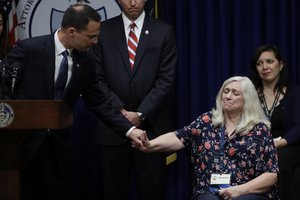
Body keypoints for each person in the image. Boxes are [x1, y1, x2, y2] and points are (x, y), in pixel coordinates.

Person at [2, 4, 144, 200]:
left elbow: (99, 101)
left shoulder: (86, 61)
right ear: (72, 32)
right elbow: (5, 90)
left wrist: (130, 130)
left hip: (58, 150)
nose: (95, 42)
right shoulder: (29, 50)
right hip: (20, 149)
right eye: (91, 36)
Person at [133, 76, 279, 200]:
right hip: (209, 191)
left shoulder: (260, 130)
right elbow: (178, 137)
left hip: (247, 191)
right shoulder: (207, 121)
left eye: (235, 93)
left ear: (247, 99)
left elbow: (271, 175)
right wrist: (150, 145)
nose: (228, 96)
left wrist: (239, 190)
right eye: (226, 91)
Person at [92, 0, 177, 199]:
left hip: (152, 129)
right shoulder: (102, 31)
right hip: (112, 129)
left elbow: (166, 79)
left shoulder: (164, 31)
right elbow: (96, 78)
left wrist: (140, 114)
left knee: (153, 191)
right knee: (112, 191)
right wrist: (121, 113)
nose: (132, 2)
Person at [250, 44, 300, 200]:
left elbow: (298, 126)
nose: (265, 67)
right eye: (259, 63)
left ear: (281, 64)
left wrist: (278, 143)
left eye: (270, 61)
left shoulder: (295, 93)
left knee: (278, 157)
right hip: (256, 145)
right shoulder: (249, 94)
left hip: (288, 145)